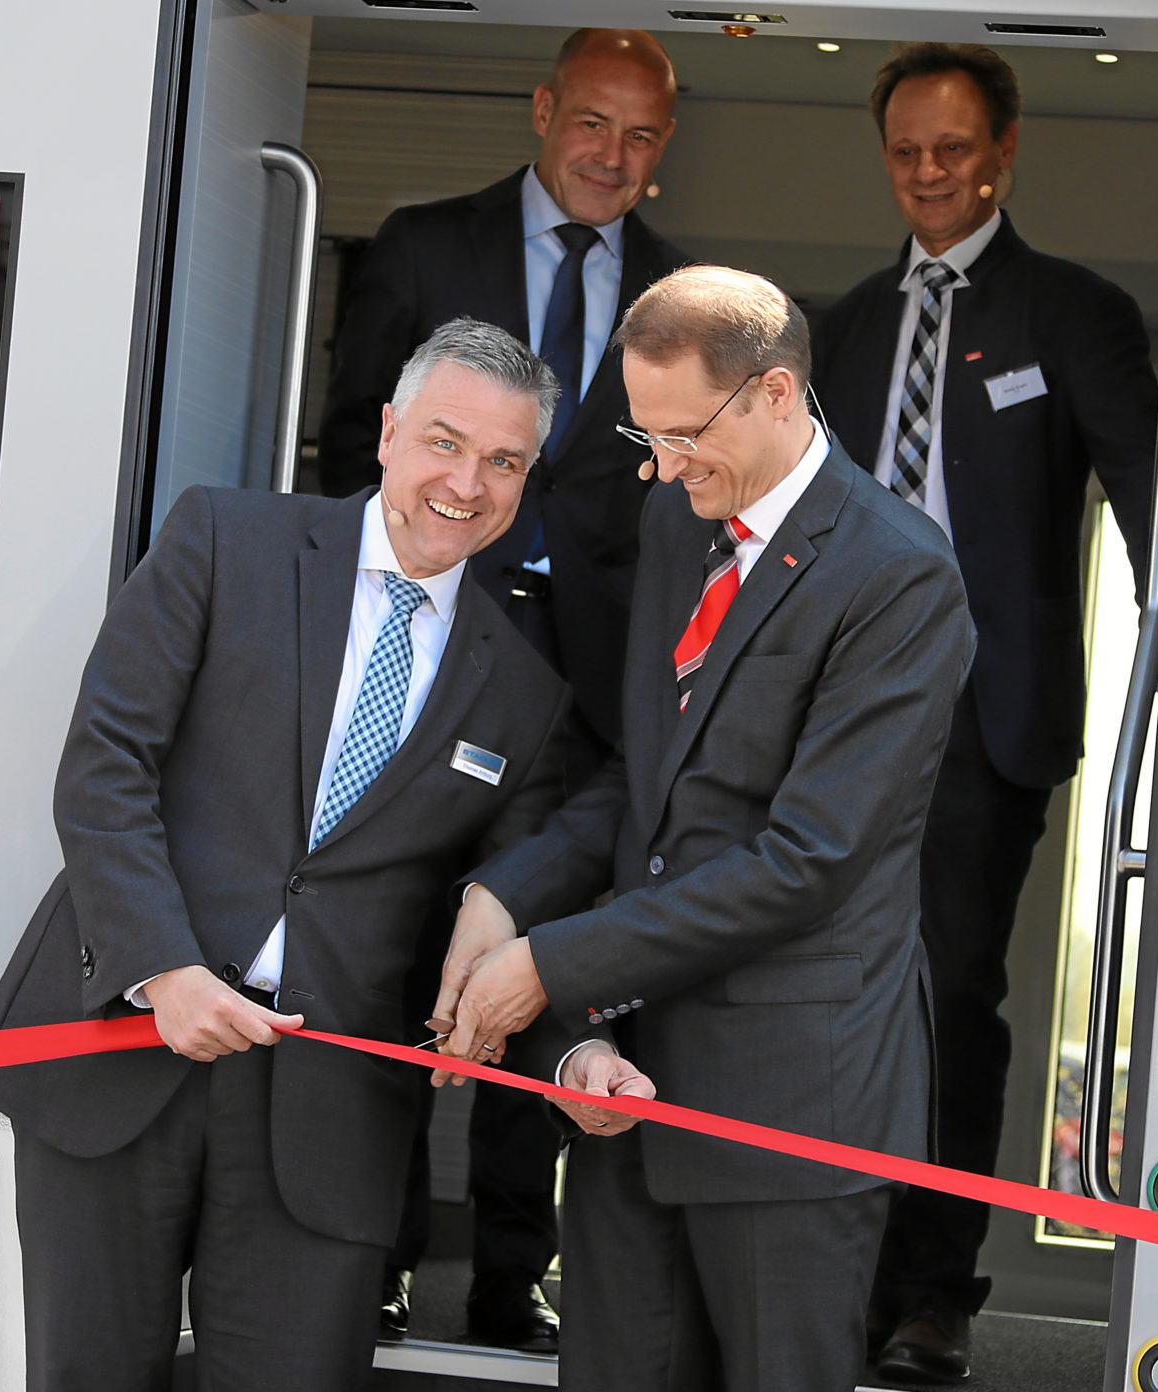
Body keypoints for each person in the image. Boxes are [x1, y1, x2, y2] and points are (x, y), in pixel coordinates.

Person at [0, 319, 573, 1389]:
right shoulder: (223, 539)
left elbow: (522, 868)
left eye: (502, 461)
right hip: (120, 1046)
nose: (465, 483)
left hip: (327, 1112)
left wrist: (507, 922)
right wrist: (166, 966)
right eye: (443, 441)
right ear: (386, 432)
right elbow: (106, 765)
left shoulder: (522, 687)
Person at [435, 266, 975, 1392]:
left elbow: (806, 862)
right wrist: (507, 895)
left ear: (776, 395)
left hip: (789, 1103)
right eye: (645, 433)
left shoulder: (899, 576)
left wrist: (549, 965)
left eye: (684, 434)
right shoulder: (675, 519)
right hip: (623, 1085)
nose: (663, 465)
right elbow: (645, 776)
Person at [317, 27, 686, 1348]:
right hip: (420, 645)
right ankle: (377, 1255)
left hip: (585, 684)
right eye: (593, 123)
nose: (613, 156)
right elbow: (343, 444)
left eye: (642, 135)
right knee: (395, 945)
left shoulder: (679, 295)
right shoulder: (424, 243)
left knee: (545, 963)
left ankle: (513, 1273)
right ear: (543, 112)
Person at [807, 41, 1158, 1382]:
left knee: (950, 995)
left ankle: (934, 1289)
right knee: (837, 996)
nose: (929, 173)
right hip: (841, 717)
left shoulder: (1070, 312)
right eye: (905, 151)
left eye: (953, 149)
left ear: (1003, 153)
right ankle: (836, 1262)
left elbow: (1146, 504)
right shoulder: (838, 327)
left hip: (980, 717)